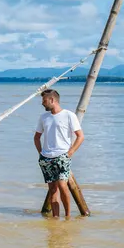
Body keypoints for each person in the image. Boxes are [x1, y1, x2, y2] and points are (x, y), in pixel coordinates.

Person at [34, 89, 84, 218]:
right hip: (46, 158)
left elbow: (80, 136)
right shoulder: (43, 117)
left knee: (62, 185)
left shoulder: (69, 115)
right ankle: (55, 218)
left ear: (52, 100)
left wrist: (70, 152)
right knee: (52, 190)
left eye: (44, 101)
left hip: (62, 156)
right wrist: (41, 154)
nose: (42, 103)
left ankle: (67, 217)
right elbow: (36, 137)